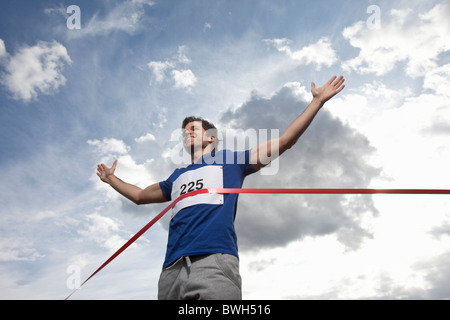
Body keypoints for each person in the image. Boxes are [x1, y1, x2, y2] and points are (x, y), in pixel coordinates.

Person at [96, 75, 345, 300]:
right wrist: (111, 179)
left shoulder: (231, 161)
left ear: (211, 137)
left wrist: (317, 102)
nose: (186, 134)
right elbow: (139, 196)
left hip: (214, 262)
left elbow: (284, 141)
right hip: (171, 269)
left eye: (193, 129)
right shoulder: (176, 177)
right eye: (183, 133)